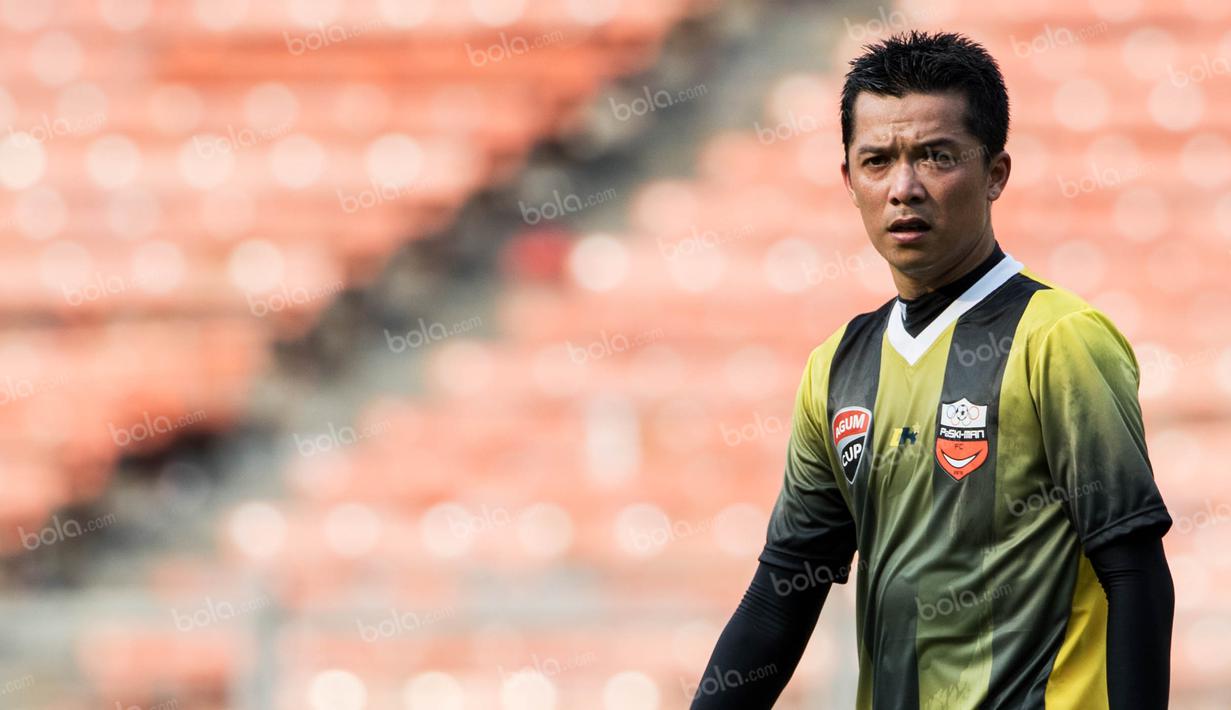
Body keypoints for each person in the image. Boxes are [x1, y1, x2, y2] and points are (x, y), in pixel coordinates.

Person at [690, 31, 1174, 709]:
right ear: (848, 180)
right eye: (877, 161)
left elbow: (1132, 572)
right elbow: (783, 591)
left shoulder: (1058, 339)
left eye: (936, 156)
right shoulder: (837, 367)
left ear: (995, 172)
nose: (903, 188)